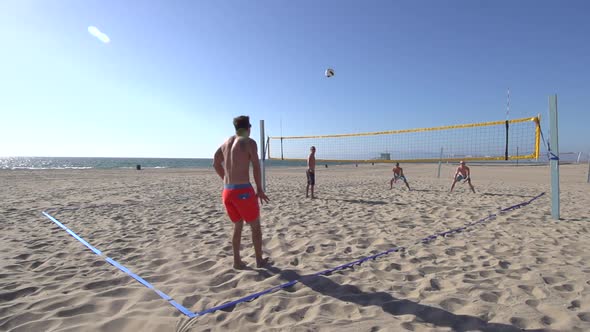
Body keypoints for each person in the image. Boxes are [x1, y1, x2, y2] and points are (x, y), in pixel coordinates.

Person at [213, 115, 270, 269]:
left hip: (227, 191)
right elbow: (256, 167)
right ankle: (259, 260)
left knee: (237, 226)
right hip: (243, 191)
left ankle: (237, 262)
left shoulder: (226, 143)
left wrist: (225, 178)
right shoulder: (249, 142)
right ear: (248, 128)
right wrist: (259, 188)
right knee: (255, 227)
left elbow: (215, 162)